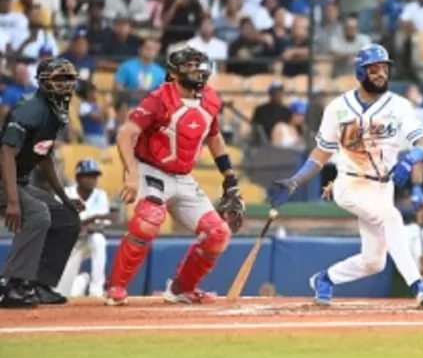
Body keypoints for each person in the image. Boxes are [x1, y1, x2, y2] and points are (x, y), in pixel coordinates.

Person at [267, 44, 423, 309]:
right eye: (374, 69)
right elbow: (322, 152)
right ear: (360, 72)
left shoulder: (400, 106)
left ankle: (325, 279)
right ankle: (418, 286)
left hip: (383, 187)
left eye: (384, 68)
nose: (381, 73)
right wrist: (295, 180)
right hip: (349, 183)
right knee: (391, 217)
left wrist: (412, 158)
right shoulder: (338, 107)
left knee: (374, 262)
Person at [104, 45, 245, 306]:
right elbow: (126, 133)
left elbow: (214, 137)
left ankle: (182, 289)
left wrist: (230, 177)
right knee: (148, 220)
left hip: (183, 177)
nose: (195, 70)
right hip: (151, 170)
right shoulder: (158, 98)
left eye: (197, 64)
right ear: (173, 72)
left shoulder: (211, 99)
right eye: (188, 65)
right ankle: (116, 287)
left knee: (218, 234)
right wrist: (132, 175)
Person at [0, 59, 84, 308]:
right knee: (38, 214)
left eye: (69, 79)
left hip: (19, 181)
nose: (65, 85)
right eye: (59, 79)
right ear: (43, 81)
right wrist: (13, 201)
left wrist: (64, 197)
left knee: (67, 218)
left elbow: (43, 154)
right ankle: (12, 284)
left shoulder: (56, 110)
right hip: (5, 179)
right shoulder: (29, 110)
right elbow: (6, 153)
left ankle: (38, 284)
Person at [55, 159, 113, 298]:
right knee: (62, 293)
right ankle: (82, 280)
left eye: (94, 176)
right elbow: (61, 223)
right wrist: (91, 220)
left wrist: (84, 222)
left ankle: (96, 289)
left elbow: (101, 225)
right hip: (68, 247)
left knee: (98, 240)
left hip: (88, 241)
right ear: (77, 178)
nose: (91, 180)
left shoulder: (101, 195)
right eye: (87, 176)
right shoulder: (65, 194)